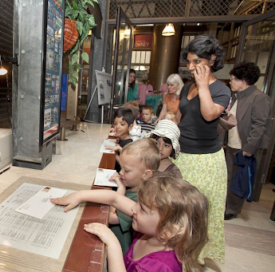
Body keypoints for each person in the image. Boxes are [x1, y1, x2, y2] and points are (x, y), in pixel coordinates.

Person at [51, 173, 209, 272]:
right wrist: (80, 195)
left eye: (143, 210)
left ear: (168, 230)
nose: (133, 209)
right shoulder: (153, 229)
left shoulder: (160, 267)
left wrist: (113, 244)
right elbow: (116, 199)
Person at [173, 35, 231, 263]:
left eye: (197, 61)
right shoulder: (187, 86)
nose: (191, 67)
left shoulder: (221, 90)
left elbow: (209, 114)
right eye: (189, 61)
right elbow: (180, 117)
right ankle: (174, 256)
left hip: (206, 161)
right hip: (182, 156)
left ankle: (192, 258)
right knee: (177, 210)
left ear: (212, 59)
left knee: (198, 214)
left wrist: (204, 85)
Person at [224, 62, 272, 220]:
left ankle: (232, 209)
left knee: (239, 179)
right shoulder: (238, 97)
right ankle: (226, 205)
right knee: (229, 176)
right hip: (231, 144)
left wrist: (249, 148)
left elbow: (259, 125)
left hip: (244, 147)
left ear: (243, 80)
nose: (230, 81)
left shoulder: (259, 98)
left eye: (233, 79)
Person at [107, 139, 159, 254]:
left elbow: (110, 217)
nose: (121, 172)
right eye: (121, 168)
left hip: (120, 253)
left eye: (126, 170)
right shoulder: (131, 187)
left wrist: (120, 189)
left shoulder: (141, 202)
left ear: (146, 174)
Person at [106, 108, 134, 172]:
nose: (117, 126)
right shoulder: (122, 138)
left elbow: (125, 165)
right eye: (115, 123)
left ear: (130, 127)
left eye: (122, 124)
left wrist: (114, 154)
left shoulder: (129, 145)